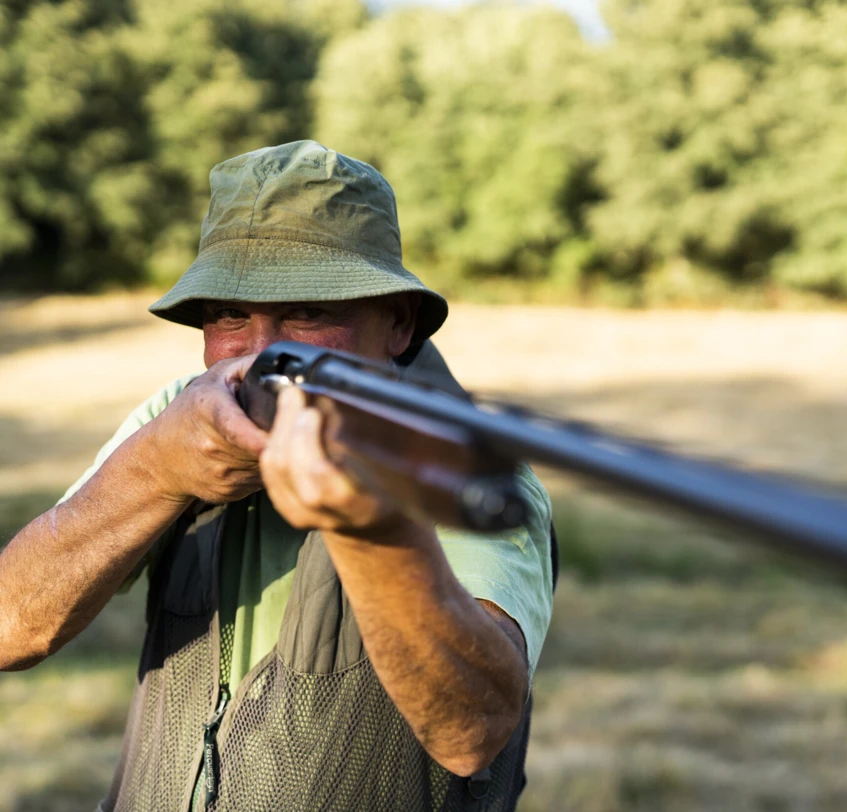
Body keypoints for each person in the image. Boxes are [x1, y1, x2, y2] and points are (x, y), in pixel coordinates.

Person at [0, 141, 555, 812]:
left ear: (398, 325)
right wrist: (154, 471)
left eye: (309, 311)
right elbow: (10, 626)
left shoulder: (464, 465)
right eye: (230, 314)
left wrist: (373, 528)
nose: (261, 351)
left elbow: (473, 732)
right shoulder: (183, 414)